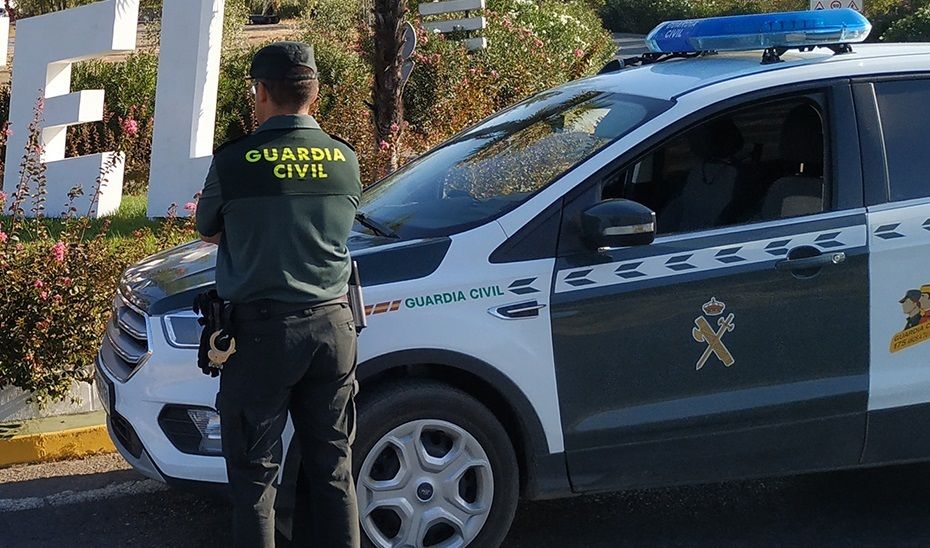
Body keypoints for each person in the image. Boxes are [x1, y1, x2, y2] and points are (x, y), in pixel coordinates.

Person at [195, 41, 362, 548]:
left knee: (255, 479)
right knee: (333, 471)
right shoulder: (344, 158)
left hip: (263, 336)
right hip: (334, 327)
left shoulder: (235, 163)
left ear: (261, 91)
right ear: (313, 93)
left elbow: (208, 230)